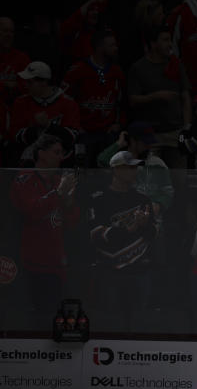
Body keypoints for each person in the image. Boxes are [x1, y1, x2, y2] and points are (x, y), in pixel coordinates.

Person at [9, 134, 81, 313]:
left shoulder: (58, 181)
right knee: (35, 315)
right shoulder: (24, 179)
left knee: (57, 314)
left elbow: (72, 222)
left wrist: (69, 202)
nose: (61, 157)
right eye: (56, 152)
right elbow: (32, 211)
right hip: (31, 264)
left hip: (57, 262)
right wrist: (58, 194)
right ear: (41, 154)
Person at [88, 151, 158, 325]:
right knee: (110, 325)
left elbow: (154, 234)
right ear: (116, 170)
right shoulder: (99, 199)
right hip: (109, 272)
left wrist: (143, 225)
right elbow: (96, 234)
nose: (135, 171)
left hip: (139, 271)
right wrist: (131, 228)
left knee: (139, 324)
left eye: (136, 167)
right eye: (130, 167)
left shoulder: (142, 199)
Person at [127, 26, 192, 168]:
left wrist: (187, 127)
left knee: (179, 178)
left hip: (175, 133)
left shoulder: (176, 64)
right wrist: (156, 96)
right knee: (151, 181)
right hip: (150, 135)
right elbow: (133, 100)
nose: (170, 44)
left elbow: (186, 97)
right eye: (165, 40)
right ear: (153, 43)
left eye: (170, 40)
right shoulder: (139, 68)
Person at [62, 29, 125, 159]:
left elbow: (123, 102)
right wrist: (75, 126)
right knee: (82, 173)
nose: (116, 48)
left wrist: (119, 124)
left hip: (108, 134)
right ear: (100, 47)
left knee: (108, 173)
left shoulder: (117, 71)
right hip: (83, 134)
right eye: (112, 45)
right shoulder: (78, 70)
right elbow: (64, 100)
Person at [10, 61, 81, 151]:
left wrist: (48, 125)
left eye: (29, 82)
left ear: (44, 82)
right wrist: (37, 129)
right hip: (27, 159)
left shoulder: (69, 104)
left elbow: (72, 138)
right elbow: (14, 135)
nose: (25, 85)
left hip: (59, 159)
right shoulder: (20, 102)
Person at [0, 17, 30, 104]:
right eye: (5, 31)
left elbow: (28, 87)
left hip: (16, 108)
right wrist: (8, 85)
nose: (9, 35)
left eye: (11, 32)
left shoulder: (22, 58)